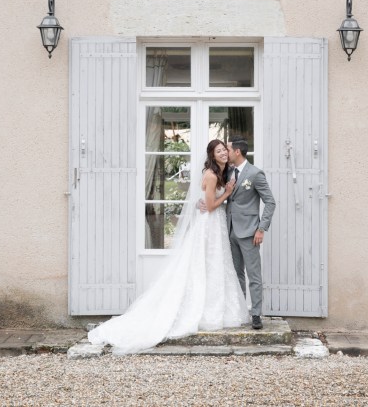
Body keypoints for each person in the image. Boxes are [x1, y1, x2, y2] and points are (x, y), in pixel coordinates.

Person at [88, 140, 250, 354]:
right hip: (209, 224)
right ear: (212, 155)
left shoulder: (225, 171)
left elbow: (205, 201)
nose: (222, 153)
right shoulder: (211, 175)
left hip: (216, 225)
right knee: (204, 264)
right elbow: (210, 206)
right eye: (218, 151)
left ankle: (218, 309)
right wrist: (227, 193)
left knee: (217, 265)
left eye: (224, 150)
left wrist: (219, 195)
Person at [225, 136, 276, 330]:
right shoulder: (228, 172)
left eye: (228, 149)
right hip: (230, 230)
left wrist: (261, 228)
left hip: (249, 232)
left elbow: (270, 202)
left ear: (237, 151)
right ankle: (240, 311)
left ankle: (256, 314)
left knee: (253, 275)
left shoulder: (255, 174)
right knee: (236, 274)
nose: (226, 153)